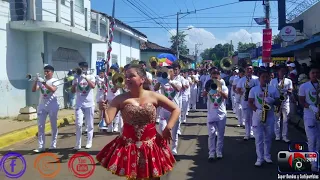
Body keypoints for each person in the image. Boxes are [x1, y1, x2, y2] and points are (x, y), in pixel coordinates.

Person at [97, 64, 180, 179]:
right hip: (129, 146)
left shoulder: (154, 96)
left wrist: (168, 128)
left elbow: (176, 109)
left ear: (142, 79)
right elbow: (107, 120)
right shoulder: (120, 99)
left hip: (151, 145)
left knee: (153, 177)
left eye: (131, 76)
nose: (127, 79)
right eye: (126, 76)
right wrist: (103, 109)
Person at [248, 67, 279, 167]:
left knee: (268, 137)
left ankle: (267, 156)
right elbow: (250, 102)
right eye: (263, 77)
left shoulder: (273, 89)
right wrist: (257, 110)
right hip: (257, 116)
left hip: (269, 116)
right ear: (259, 78)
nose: (265, 78)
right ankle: (259, 158)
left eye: (267, 77)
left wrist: (273, 101)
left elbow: (279, 102)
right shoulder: (254, 89)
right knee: (259, 138)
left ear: (270, 78)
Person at [32, 65, 59, 153]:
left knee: (53, 125)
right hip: (42, 105)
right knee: (40, 126)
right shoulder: (41, 80)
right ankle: (41, 146)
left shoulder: (55, 80)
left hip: (52, 105)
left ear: (52, 72)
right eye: (45, 71)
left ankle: (53, 145)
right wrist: (36, 81)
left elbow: (53, 89)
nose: (46, 73)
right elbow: (33, 90)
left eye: (48, 71)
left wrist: (43, 83)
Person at [298, 65, 320, 172]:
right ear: (309, 75)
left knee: (319, 141)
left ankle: (317, 161)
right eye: (313, 73)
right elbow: (301, 100)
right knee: (312, 140)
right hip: (309, 115)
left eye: (317, 72)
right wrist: (311, 107)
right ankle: (313, 164)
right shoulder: (304, 86)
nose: (315, 75)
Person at [203, 68, 228, 161]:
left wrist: (219, 89)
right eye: (213, 74)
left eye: (217, 74)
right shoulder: (208, 85)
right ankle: (211, 153)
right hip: (211, 114)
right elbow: (204, 94)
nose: (215, 75)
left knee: (220, 135)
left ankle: (219, 152)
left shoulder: (224, 86)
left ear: (219, 76)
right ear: (211, 76)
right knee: (211, 134)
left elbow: (226, 97)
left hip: (221, 114)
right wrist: (208, 89)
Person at [72, 62, 96, 150]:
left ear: (86, 68)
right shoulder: (76, 77)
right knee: (78, 124)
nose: (82, 69)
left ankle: (89, 142)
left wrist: (85, 78)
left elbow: (93, 86)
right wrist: (74, 84)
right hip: (79, 104)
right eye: (80, 67)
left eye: (83, 67)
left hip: (89, 104)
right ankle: (77, 143)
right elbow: (73, 91)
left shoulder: (91, 76)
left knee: (89, 124)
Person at [236, 64, 259, 140]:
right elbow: (238, 89)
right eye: (248, 69)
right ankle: (247, 134)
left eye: (250, 69)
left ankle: (252, 133)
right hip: (245, 101)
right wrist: (243, 94)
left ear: (252, 71)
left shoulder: (256, 79)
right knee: (246, 118)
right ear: (245, 71)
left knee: (254, 117)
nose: (249, 71)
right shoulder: (241, 80)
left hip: (254, 101)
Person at [270, 64, 293, 142]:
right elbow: (270, 91)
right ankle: (277, 135)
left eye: (284, 71)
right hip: (276, 102)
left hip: (285, 102)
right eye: (281, 71)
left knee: (286, 120)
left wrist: (285, 91)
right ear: (278, 72)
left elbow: (290, 90)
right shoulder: (273, 81)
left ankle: (284, 136)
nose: (282, 73)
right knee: (277, 119)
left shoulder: (288, 81)